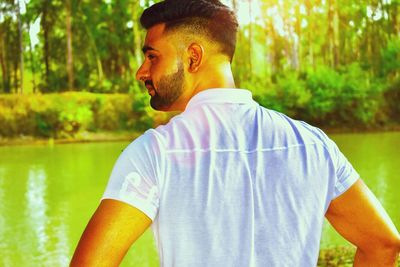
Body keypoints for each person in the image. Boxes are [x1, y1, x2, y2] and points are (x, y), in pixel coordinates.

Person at [70, 0, 400, 266]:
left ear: (193, 57)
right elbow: (383, 244)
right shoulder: (314, 146)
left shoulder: (155, 152)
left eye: (151, 56)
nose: (142, 72)